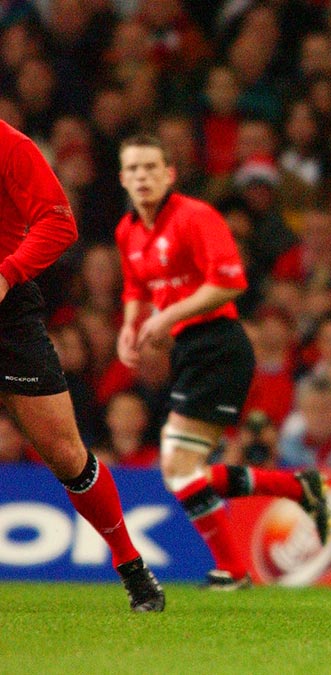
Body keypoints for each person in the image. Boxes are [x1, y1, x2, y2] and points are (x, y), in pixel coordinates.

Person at [115, 135, 330, 590]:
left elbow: (230, 282)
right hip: (189, 350)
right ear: (122, 178)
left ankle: (234, 569)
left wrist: (167, 315)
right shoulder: (128, 231)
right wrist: (129, 326)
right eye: (133, 169)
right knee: (181, 470)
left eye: (151, 167)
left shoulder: (196, 216)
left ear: (169, 173)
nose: (142, 176)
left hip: (219, 344)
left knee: (177, 467)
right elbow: (135, 286)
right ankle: (295, 490)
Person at [0, 119, 164, 612]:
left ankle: (131, 565)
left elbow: (58, 222)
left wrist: (6, 274)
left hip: (7, 313)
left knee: (65, 454)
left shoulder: (10, 145)